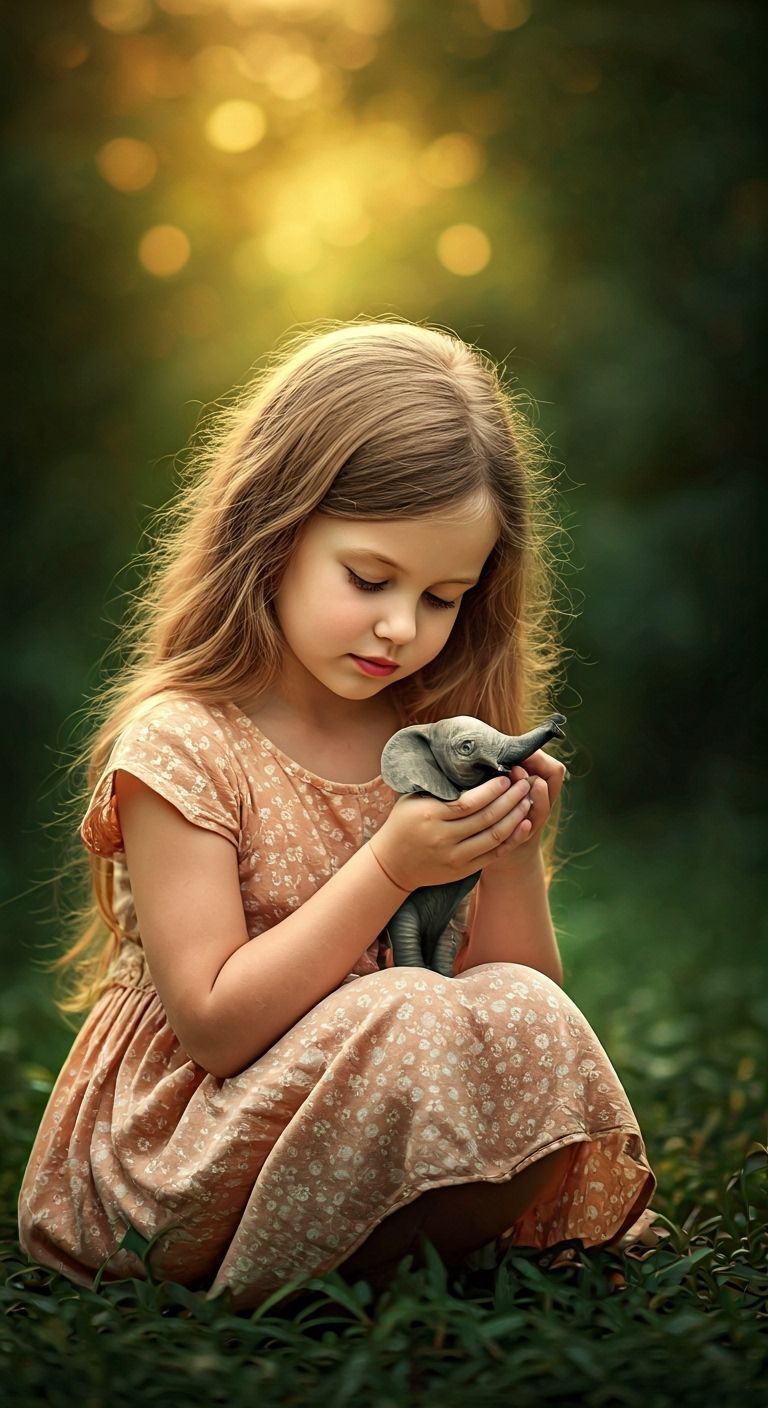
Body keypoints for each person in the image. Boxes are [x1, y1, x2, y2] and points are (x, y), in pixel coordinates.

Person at [17, 319, 656, 1309]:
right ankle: (352, 1270)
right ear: (272, 528)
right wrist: (389, 868)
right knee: (408, 1004)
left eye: (444, 596)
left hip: (371, 1108)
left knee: (525, 1014)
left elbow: (517, 1000)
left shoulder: (432, 733)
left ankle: (391, 1265)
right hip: (186, 1147)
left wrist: (511, 849)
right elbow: (218, 1028)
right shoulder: (183, 742)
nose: (402, 627)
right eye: (369, 578)